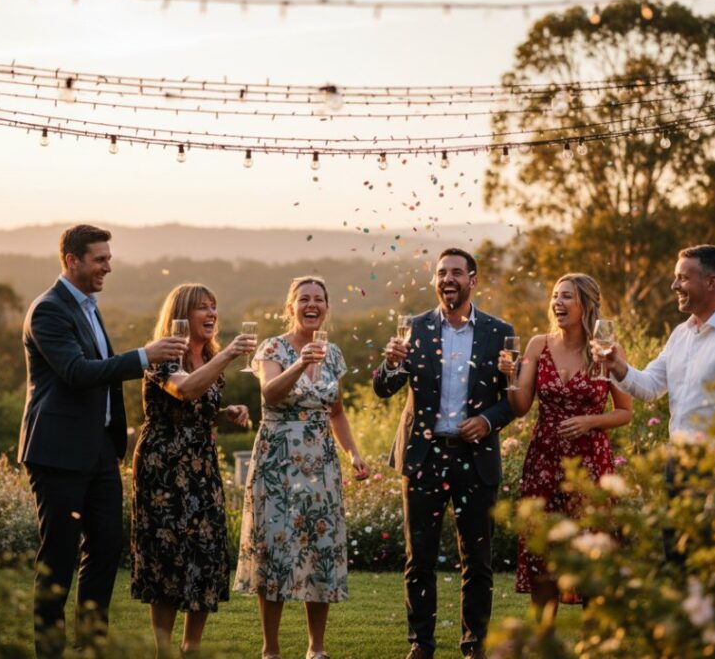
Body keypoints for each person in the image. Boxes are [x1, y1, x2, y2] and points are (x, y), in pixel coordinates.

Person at [18, 224, 187, 657]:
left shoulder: (89, 307)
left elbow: (103, 370)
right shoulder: (48, 310)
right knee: (57, 558)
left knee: (107, 548)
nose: (108, 267)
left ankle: (90, 646)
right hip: (57, 453)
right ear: (72, 261)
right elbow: (77, 372)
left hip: (98, 452)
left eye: (109, 258)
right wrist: (145, 356)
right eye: (100, 259)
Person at [374, 248, 515, 659]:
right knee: (419, 559)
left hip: (476, 458)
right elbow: (384, 388)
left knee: (478, 560)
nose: (448, 278)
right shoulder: (413, 328)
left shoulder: (499, 331)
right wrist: (389, 365)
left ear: (473, 280)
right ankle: (420, 643)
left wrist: (488, 421)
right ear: (435, 281)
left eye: (457, 272)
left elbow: (514, 398)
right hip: (425, 457)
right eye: (441, 273)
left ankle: (474, 645)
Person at [594, 244, 715, 563]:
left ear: (711, 282)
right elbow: (649, 388)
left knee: (714, 573)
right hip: (680, 470)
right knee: (678, 566)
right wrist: (617, 366)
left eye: (682, 278)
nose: (674, 286)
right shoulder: (679, 336)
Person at [234, 276, 369, 659]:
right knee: (274, 551)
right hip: (278, 463)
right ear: (290, 306)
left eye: (319, 299)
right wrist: (301, 363)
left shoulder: (334, 353)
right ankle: (271, 649)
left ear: (327, 307)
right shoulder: (272, 347)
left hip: (321, 464)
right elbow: (269, 392)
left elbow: (337, 412)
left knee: (320, 550)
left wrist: (353, 453)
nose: (312, 305)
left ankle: (316, 648)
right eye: (304, 299)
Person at [131, 283, 255, 656]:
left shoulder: (209, 357)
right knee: (167, 553)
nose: (212, 314)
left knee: (205, 550)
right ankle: (164, 650)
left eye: (215, 306)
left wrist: (224, 412)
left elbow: (196, 407)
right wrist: (232, 353)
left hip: (201, 465)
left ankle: (191, 648)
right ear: (183, 314)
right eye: (203, 307)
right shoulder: (163, 355)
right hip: (163, 468)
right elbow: (183, 391)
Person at [497, 274, 631, 617]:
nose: (557, 303)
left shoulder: (606, 349)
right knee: (544, 555)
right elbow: (521, 407)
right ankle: (543, 644)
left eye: (567, 297)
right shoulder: (537, 346)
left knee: (593, 554)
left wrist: (590, 421)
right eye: (555, 296)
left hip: (592, 464)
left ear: (585, 304)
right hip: (545, 460)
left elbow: (625, 412)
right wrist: (510, 378)